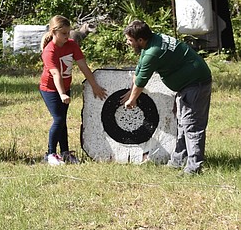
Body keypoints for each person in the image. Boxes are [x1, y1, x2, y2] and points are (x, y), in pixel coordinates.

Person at [122, 20, 212, 175]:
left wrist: (132, 99)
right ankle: (177, 161)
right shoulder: (152, 41)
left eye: (130, 40)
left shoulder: (153, 52)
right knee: (183, 124)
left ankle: (194, 168)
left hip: (195, 84)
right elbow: (140, 69)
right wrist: (131, 92)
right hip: (188, 84)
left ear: (140, 40)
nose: (127, 43)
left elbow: (142, 80)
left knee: (192, 126)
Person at [39, 15, 108, 166]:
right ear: (54, 32)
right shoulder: (49, 51)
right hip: (50, 89)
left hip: (65, 88)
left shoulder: (72, 45)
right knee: (58, 119)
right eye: (63, 33)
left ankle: (65, 152)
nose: (67, 36)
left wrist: (94, 86)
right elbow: (56, 74)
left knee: (62, 120)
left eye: (68, 32)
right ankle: (50, 154)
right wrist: (62, 93)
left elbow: (83, 67)